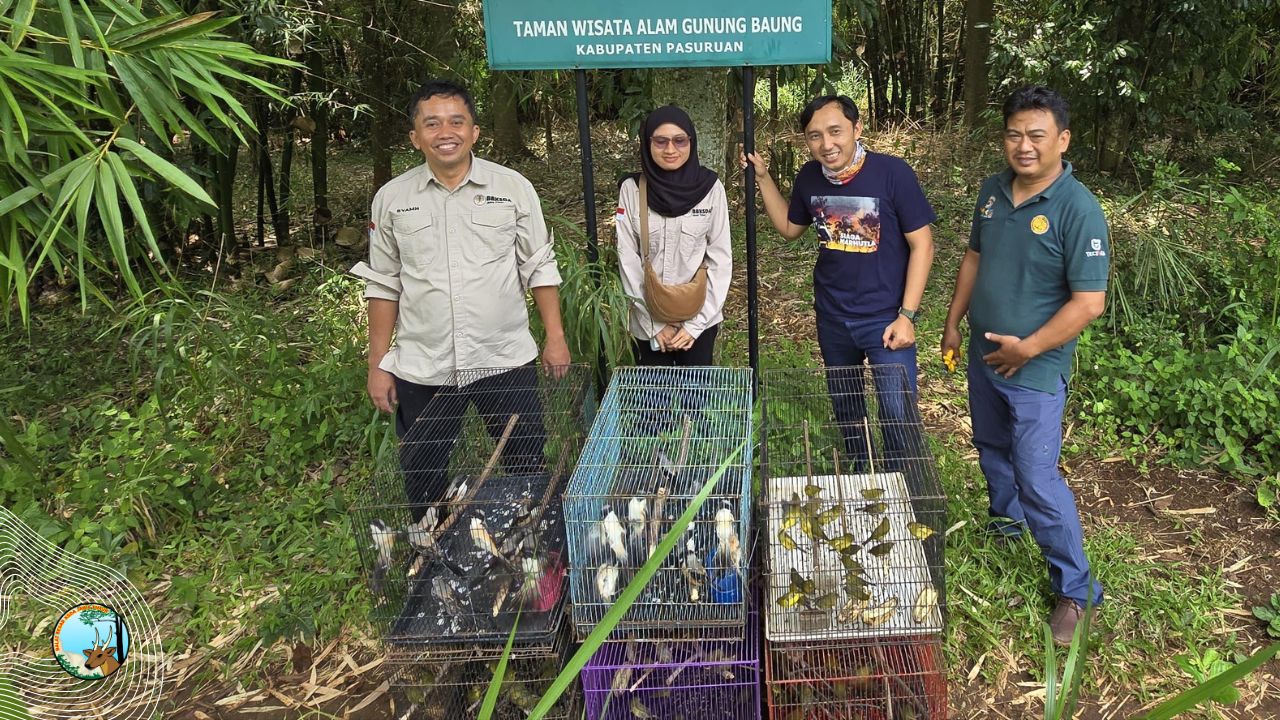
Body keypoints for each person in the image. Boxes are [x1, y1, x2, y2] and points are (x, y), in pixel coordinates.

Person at [351, 79, 571, 520]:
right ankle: (433, 564)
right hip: (423, 365)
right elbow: (384, 284)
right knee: (424, 474)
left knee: (526, 464)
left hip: (503, 357)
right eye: (431, 123)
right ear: (415, 137)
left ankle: (532, 557)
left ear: (474, 132)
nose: (445, 132)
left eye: (457, 121)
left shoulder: (512, 187)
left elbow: (538, 266)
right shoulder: (392, 199)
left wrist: (555, 336)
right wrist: (379, 364)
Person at [941, 85, 1109, 645]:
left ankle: (1077, 590)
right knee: (991, 446)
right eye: (1014, 134)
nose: (1024, 146)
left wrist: (1028, 348)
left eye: (1037, 135)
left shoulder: (1078, 208)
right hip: (986, 356)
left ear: (1062, 139)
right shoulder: (992, 191)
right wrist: (952, 319)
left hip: (1033, 368)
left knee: (1037, 473)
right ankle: (1006, 523)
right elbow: (974, 257)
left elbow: (1089, 303)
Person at [744, 95, 935, 467]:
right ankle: (862, 471)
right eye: (815, 136)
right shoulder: (809, 176)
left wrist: (907, 314)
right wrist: (764, 178)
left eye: (835, 132)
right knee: (847, 406)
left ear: (857, 129)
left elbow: (922, 244)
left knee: (898, 412)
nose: (826, 144)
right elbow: (788, 228)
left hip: (886, 316)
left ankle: (898, 482)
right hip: (833, 316)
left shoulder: (893, 173)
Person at [615, 106, 732, 367]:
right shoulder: (631, 190)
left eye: (679, 141)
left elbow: (720, 260)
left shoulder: (711, 189)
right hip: (647, 320)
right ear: (647, 144)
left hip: (699, 319)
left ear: (691, 142)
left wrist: (694, 326)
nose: (670, 150)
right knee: (654, 403)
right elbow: (627, 259)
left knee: (696, 402)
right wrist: (655, 325)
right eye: (661, 141)